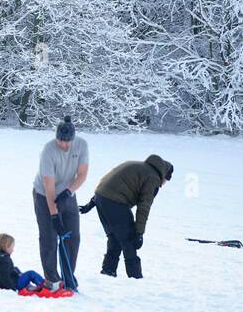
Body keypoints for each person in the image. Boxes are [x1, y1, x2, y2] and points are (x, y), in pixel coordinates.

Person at [80, 154, 173, 279]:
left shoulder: (136, 165)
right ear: (164, 175)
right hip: (115, 202)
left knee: (114, 237)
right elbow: (143, 208)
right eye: (166, 181)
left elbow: (109, 182)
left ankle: (108, 272)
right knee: (129, 240)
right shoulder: (153, 178)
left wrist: (92, 203)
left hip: (101, 198)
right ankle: (135, 279)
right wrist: (139, 233)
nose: (164, 184)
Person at [32, 115, 88, 290]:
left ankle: (68, 276)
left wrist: (69, 192)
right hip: (44, 195)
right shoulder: (48, 151)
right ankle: (52, 280)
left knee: (73, 237)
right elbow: (49, 188)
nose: (63, 145)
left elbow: (82, 175)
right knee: (49, 237)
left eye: (67, 142)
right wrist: (54, 216)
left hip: (68, 193)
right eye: (60, 141)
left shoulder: (81, 145)